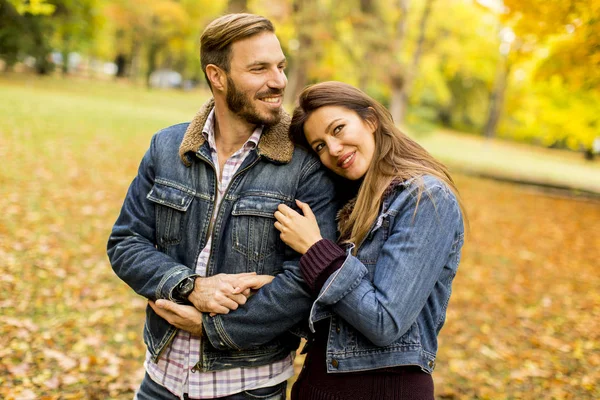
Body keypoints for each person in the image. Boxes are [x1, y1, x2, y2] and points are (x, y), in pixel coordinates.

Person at [107, 14, 338, 400]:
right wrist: (190, 287)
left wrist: (211, 328)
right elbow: (126, 243)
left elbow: (306, 280)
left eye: (280, 66)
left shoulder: (305, 165)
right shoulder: (167, 147)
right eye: (259, 68)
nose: (278, 81)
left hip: (247, 387)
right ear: (217, 76)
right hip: (160, 380)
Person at [273, 81, 466, 400]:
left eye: (338, 129)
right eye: (319, 145)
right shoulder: (350, 203)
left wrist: (315, 249)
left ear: (371, 120)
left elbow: (385, 321)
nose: (333, 150)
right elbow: (335, 307)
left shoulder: (426, 199)